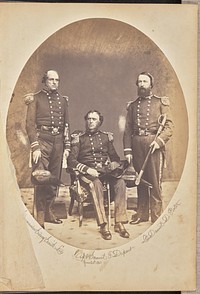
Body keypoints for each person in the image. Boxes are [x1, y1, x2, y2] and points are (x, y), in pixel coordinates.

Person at [67, 110, 130, 240]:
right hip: (87, 174)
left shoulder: (106, 137)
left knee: (121, 183)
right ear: (86, 121)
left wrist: (113, 164)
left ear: (99, 122)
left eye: (94, 119)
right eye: (89, 119)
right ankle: (103, 225)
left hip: (105, 172)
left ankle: (119, 222)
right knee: (95, 184)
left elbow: (115, 157)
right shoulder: (79, 138)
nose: (90, 121)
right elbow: (71, 160)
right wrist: (86, 169)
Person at [123, 72, 174, 224]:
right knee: (141, 181)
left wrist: (158, 141)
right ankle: (142, 214)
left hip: (154, 145)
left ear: (151, 85)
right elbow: (127, 130)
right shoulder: (132, 106)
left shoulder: (161, 103)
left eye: (145, 81)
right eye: (139, 81)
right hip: (137, 144)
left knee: (155, 182)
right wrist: (128, 150)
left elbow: (169, 127)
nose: (142, 84)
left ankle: (157, 216)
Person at [25, 70, 70, 228]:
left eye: (57, 80)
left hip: (58, 142)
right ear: (45, 81)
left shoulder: (63, 101)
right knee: (41, 177)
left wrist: (67, 146)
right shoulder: (36, 98)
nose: (54, 82)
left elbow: (66, 125)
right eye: (51, 79)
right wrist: (35, 146)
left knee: (54, 178)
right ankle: (40, 216)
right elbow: (30, 124)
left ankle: (50, 211)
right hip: (42, 140)